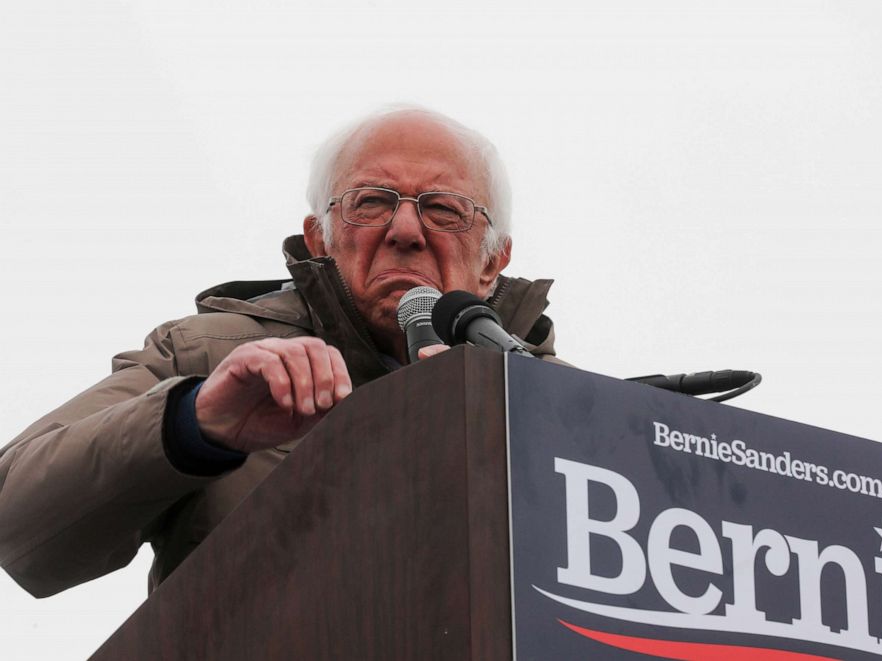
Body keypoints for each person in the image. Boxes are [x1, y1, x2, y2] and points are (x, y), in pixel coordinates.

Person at [0, 108, 559, 598]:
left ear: (492, 262)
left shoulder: (565, 407)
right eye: (371, 202)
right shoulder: (206, 359)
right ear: (321, 239)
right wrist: (193, 426)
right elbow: (17, 524)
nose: (405, 230)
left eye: (444, 209)